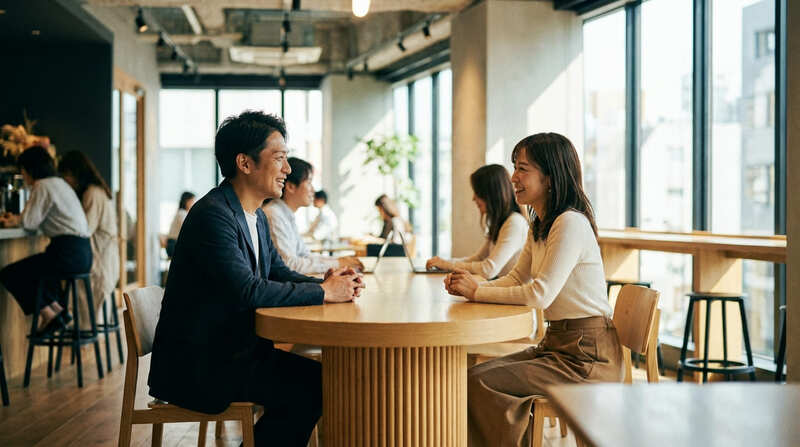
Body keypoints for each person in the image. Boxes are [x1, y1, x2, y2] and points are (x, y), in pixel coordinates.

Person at [148, 111, 364, 447]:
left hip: (233, 351)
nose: (288, 169)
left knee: (320, 382)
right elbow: (247, 290)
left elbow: (276, 271)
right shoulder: (213, 216)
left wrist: (330, 283)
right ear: (245, 163)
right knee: (314, 386)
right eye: (279, 158)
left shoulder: (253, 214)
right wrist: (323, 293)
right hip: (202, 364)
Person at [444, 133, 623, 447]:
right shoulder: (541, 222)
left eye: (522, 169)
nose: (513, 177)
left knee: (478, 381)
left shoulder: (569, 223)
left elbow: (540, 294)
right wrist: (473, 286)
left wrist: (477, 291)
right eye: (515, 167)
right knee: (470, 376)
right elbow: (515, 279)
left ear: (550, 177)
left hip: (587, 358)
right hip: (558, 346)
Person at [0, 146, 92, 334]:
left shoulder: (42, 185)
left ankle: (49, 314)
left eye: (22, 171)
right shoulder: (60, 183)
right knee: (38, 271)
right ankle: (57, 311)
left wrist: (14, 220)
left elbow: (30, 222)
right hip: (82, 253)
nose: (22, 175)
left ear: (29, 169)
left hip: (66, 253)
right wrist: (18, 220)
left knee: (9, 274)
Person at [263, 157, 362, 275]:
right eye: (309, 182)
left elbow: (304, 254)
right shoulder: (274, 214)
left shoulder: (286, 214)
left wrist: (339, 261)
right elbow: (289, 265)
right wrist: (337, 263)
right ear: (291, 187)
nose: (313, 190)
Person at [426, 164, 527, 279]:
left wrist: (448, 265)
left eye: (477, 192)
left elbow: (489, 269)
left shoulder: (514, 223)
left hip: (510, 293)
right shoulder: (501, 222)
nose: (473, 198)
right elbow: (478, 258)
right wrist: (443, 263)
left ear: (491, 194)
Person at [58, 150, 120, 330]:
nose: (66, 181)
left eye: (66, 175)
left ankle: (80, 330)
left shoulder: (92, 193)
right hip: (106, 259)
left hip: (99, 260)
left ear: (75, 173)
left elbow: (84, 229)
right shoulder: (98, 190)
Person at [166, 191, 195, 257]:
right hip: (173, 246)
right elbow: (189, 230)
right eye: (192, 201)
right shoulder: (182, 213)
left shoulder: (181, 213)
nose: (194, 204)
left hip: (173, 245)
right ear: (187, 202)